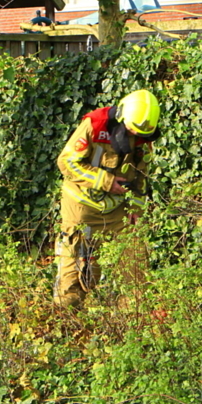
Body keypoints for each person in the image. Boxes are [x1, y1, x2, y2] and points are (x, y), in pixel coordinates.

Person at [53, 89, 160, 308]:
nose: (134, 138)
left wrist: (136, 210)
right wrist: (106, 181)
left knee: (136, 271)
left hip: (117, 212)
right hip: (81, 209)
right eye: (131, 131)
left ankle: (131, 325)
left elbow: (140, 177)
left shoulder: (143, 136)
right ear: (121, 117)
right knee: (74, 283)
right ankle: (67, 325)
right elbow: (67, 163)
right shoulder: (95, 126)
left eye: (140, 135)